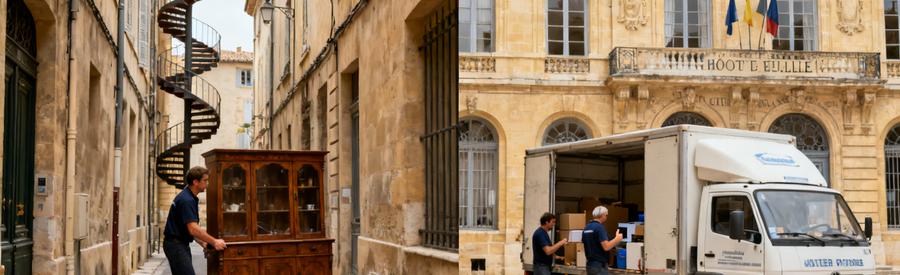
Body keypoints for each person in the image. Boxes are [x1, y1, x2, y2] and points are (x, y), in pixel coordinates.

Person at [163, 166, 227, 275]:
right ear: (196, 182)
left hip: (179, 244)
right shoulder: (187, 200)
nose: (207, 184)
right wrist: (214, 242)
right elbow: (193, 229)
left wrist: (203, 242)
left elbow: (188, 228)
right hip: (176, 246)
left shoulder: (189, 197)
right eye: (205, 180)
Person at [583, 206, 624, 275]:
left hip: (590, 265)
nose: (606, 217)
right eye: (606, 215)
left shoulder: (586, 227)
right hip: (599, 266)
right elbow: (606, 247)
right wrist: (617, 239)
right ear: (602, 215)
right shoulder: (599, 227)